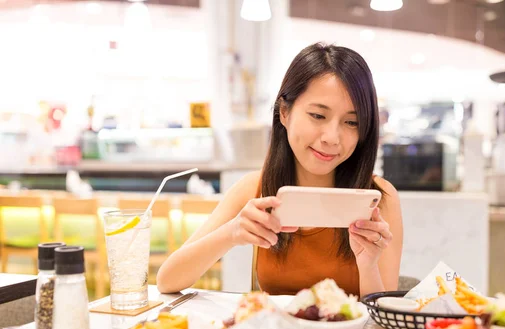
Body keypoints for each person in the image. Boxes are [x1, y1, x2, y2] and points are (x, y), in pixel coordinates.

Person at [157, 43, 403, 297]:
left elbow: (383, 319)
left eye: (351, 122)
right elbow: (168, 280)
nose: (332, 137)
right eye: (318, 116)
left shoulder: (380, 197)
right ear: (284, 112)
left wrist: (368, 265)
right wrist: (232, 233)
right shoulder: (255, 188)